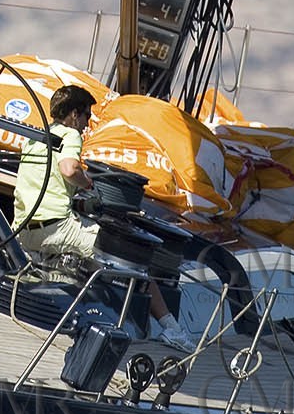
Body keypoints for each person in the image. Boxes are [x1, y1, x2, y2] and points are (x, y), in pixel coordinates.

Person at [14, 84, 195, 351]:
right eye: (86, 115)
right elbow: (69, 168)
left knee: (88, 250)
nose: (87, 124)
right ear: (74, 114)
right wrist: (87, 184)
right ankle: (172, 329)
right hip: (57, 229)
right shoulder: (70, 135)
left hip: (23, 230)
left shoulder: (35, 138)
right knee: (134, 260)